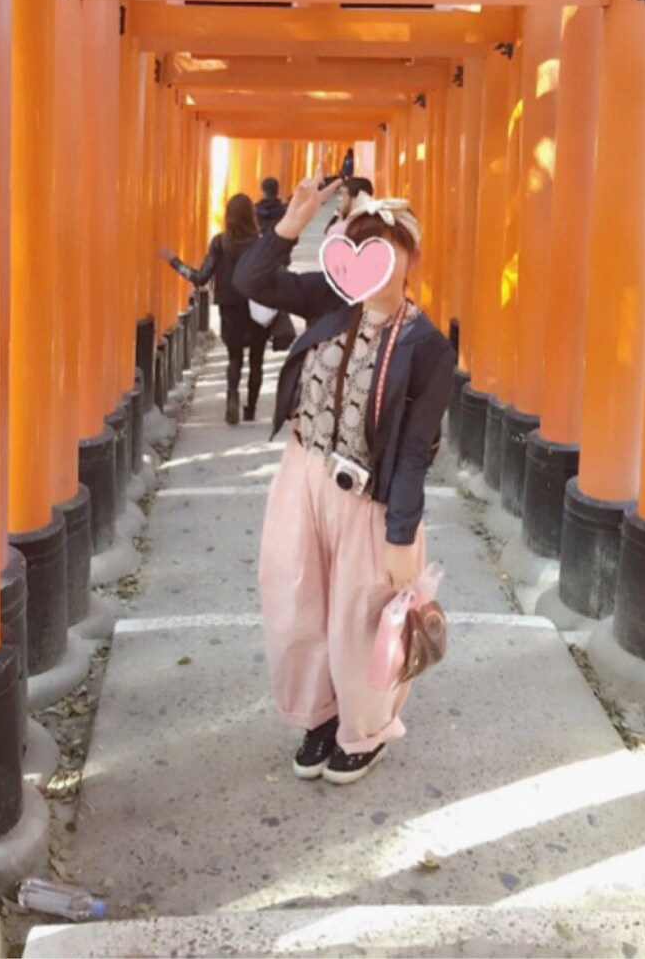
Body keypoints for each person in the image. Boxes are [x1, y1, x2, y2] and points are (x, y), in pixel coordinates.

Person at [234, 171, 455, 786]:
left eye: (385, 250)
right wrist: (290, 225)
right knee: (296, 604)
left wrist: (402, 534)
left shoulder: (428, 347)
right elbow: (249, 281)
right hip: (302, 474)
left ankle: (365, 729)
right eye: (359, 250)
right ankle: (319, 714)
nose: (372, 266)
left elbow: (413, 453)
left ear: (410, 257)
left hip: (368, 500)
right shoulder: (330, 300)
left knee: (361, 622)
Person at [159, 194, 271, 426]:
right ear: (251, 216)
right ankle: (250, 409)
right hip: (257, 306)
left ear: (228, 217)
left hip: (229, 307)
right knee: (257, 360)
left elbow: (200, 277)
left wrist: (173, 260)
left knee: (234, 357)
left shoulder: (220, 243)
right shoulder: (260, 244)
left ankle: (232, 397)